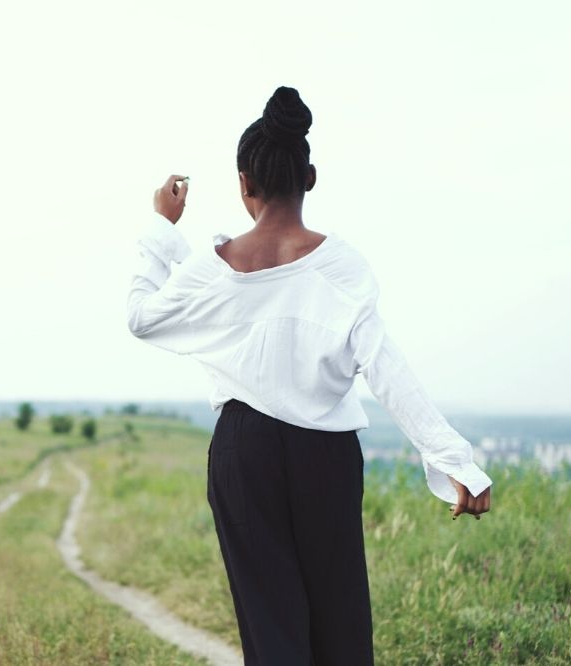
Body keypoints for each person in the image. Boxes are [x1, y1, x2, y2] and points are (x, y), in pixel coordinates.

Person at [125, 85, 493, 665]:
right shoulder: (341, 266)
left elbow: (142, 318)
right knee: (341, 624)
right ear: (310, 179)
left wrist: (162, 229)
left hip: (243, 456)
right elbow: (386, 369)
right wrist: (454, 461)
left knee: (272, 633)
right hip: (325, 457)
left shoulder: (213, 265)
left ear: (243, 183)